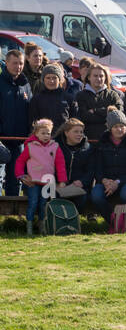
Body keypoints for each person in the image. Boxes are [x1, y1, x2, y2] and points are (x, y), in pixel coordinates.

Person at [15, 118, 66, 234]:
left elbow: (60, 164)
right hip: (33, 182)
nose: (46, 135)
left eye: (48, 133)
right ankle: (29, 227)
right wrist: (21, 176)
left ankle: (43, 227)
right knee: (33, 203)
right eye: (43, 133)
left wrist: (62, 180)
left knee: (43, 205)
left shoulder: (55, 146)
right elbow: (20, 161)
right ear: (36, 133)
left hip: (47, 183)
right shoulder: (30, 146)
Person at [89, 109, 126, 220]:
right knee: (96, 195)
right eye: (115, 126)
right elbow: (98, 168)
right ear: (110, 128)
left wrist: (117, 182)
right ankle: (112, 220)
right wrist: (104, 181)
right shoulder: (102, 143)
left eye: (122, 126)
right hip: (106, 182)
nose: (119, 129)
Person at [1, 48, 32, 196]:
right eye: (14, 63)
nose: (18, 67)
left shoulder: (25, 85)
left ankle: (11, 213)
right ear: (6, 63)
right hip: (1, 138)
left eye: (20, 63)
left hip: (19, 139)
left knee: (15, 176)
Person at [54, 117, 93, 210]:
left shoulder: (87, 149)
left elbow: (90, 170)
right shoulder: (54, 146)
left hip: (78, 186)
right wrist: (56, 183)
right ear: (66, 133)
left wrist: (82, 181)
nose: (80, 134)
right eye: (76, 131)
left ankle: (72, 222)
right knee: (55, 198)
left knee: (81, 198)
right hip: (57, 184)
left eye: (81, 132)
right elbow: (48, 167)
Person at [74, 62, 119, 141]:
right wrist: (107, 112)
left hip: (109, 139)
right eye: (95, 76)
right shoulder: (80, 95)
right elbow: (83, 116)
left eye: (101, 76)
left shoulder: (113, 95)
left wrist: (95, 111)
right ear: (88, 77)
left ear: (105, 78)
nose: (98, 79)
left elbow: (118, 114)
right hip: (87, 139)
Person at [29, 64, 75, 132]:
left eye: (54, 78)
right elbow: (32, 122)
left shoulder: (69, 98)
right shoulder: (36, 99)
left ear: (59, 80)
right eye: (48, 78)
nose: (51, 81)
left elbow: (74, 120)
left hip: (63, 138)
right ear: (43, 80)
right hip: (43, 138)